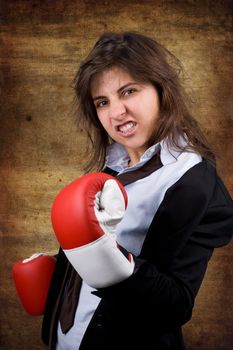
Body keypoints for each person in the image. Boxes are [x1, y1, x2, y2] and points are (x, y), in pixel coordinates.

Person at [13, 31, 233, 350]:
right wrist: (62, 267)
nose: (116, 113)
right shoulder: (114, 162)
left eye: (128, 91)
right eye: (103, 102)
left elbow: (176, 304)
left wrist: (111, 262)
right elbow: (96, 238)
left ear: (161, 89)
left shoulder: (192, 181)